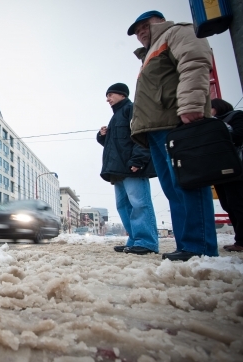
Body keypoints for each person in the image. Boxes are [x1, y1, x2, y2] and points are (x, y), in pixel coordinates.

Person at [127, 10, 218, 261]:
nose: (140, 33)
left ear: (158, 21)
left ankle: (199, 247)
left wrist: (191, 104)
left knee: (188, 183)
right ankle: (187, 245)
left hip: (176, 122)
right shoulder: (148, 56)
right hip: (156, 129)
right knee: (173, 189)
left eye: (144, 26)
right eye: (136, 32)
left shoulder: (177, 32)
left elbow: (195, 62)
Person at [97, 83, 158, 255]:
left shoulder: (131, 109)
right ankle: (134, 240)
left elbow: (142, 135)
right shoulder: (116, 116)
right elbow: (114, 145)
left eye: (110, 95)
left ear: (122, 95)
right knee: (124, 206)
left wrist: (138, 160)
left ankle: (147, 242)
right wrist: (103, 136)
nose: (107, 99)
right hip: (118, 170)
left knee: (140, 204)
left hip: (132, 166)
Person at [211, 98, 243, 252]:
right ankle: (240, 239)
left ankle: (241, 241)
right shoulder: (211, 122)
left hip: (236, 167)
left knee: (238, 203)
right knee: (228, 204)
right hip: (218, 169)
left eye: (210, 107)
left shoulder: (236, 116)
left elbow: (238, 136)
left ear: (217, 107)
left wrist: (217, 128)